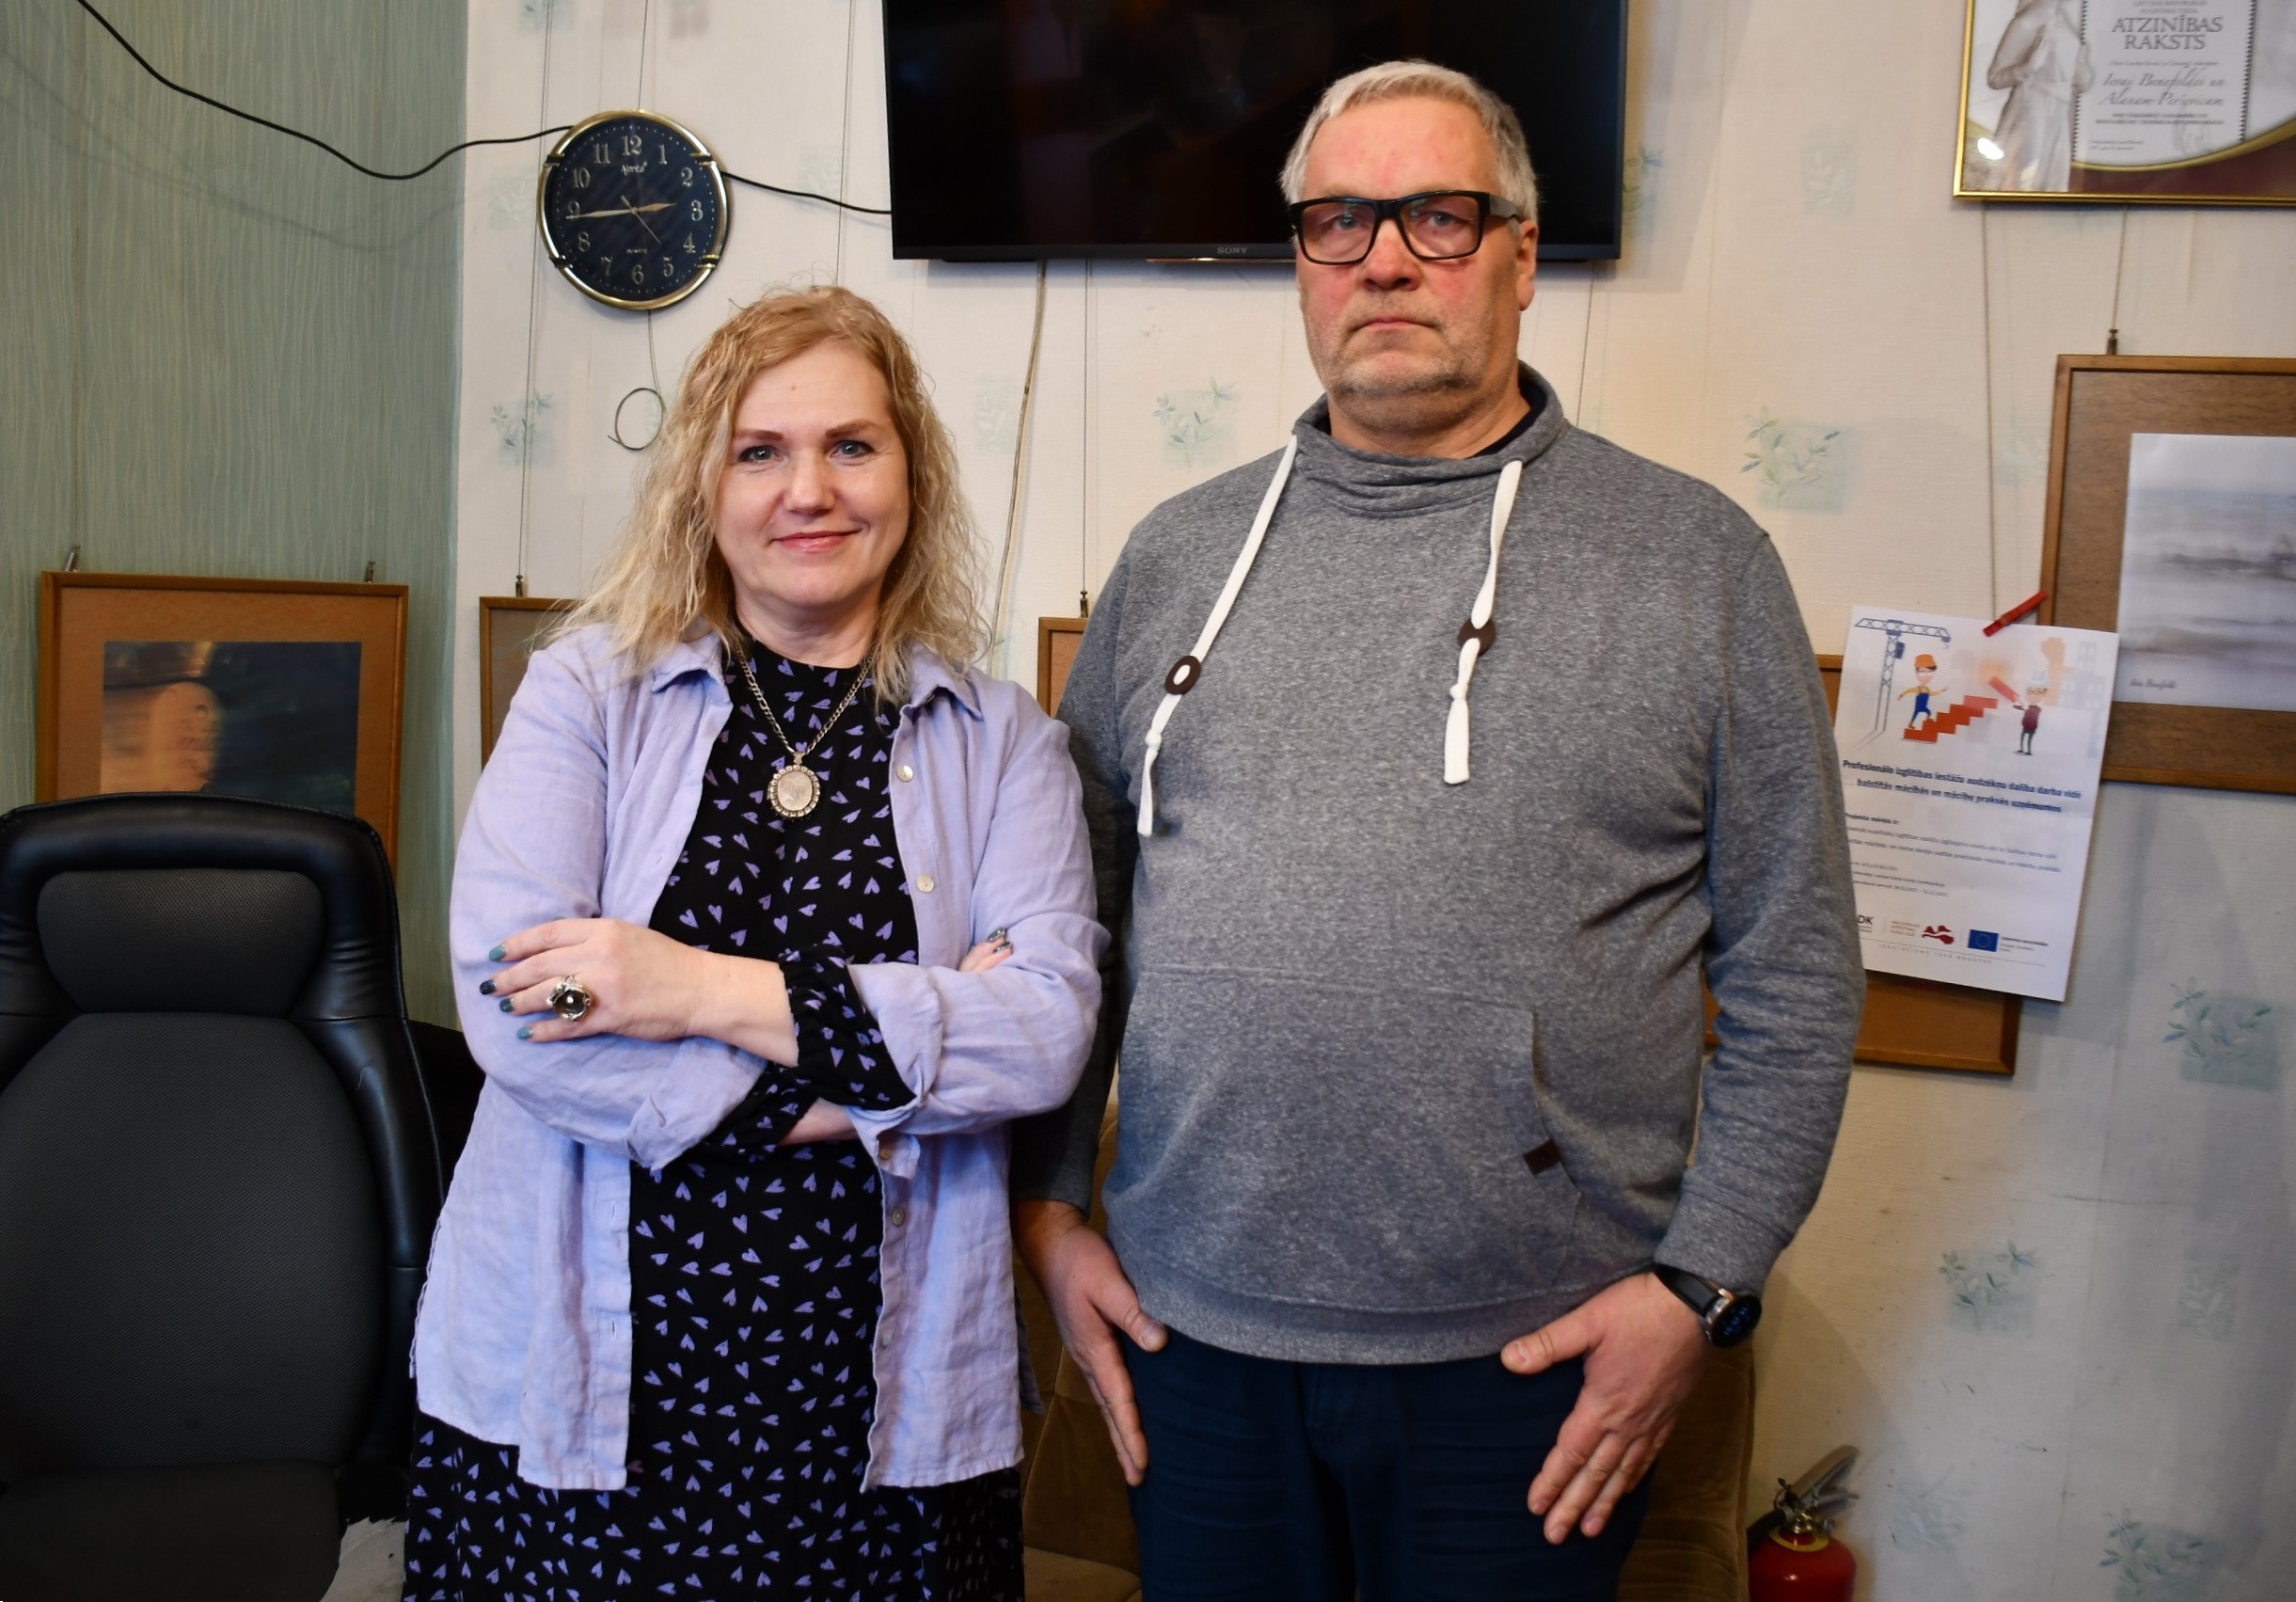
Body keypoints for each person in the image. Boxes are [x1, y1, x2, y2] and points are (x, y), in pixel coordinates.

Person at [1011, 61, 1862, 1600]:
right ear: (1301, 262)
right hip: (1193, 1338)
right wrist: (1051, 1208)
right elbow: (1075, 928)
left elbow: (1795, 968)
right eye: (1339, 220)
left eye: (1439, 217)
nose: (1385, 259)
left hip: (1535, 1364)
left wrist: (1701, 1285)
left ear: (1522, 256)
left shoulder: (1696, 565)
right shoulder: (1175, 556)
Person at [404, 286, 1104, 1602]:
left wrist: (684, 985)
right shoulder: (583, 696)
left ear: (910, 474)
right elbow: (522, 1013)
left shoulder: (1005, 741)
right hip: (588, 1389)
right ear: (703, 487)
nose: (809, 490)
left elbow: (1045, 1033)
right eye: (760, 450)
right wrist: (883, 1083)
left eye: (852, 445)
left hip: (882, 1413)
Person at [1983, 0, 2094, 193]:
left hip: (2059, 114)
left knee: (2054, 182)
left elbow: (2069, 75)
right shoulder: (2026, 22)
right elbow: (1995, 77)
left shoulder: (2062, 19)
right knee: (2025, 180)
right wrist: (2027, 68)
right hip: (2032, 109)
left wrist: (2081, 72)